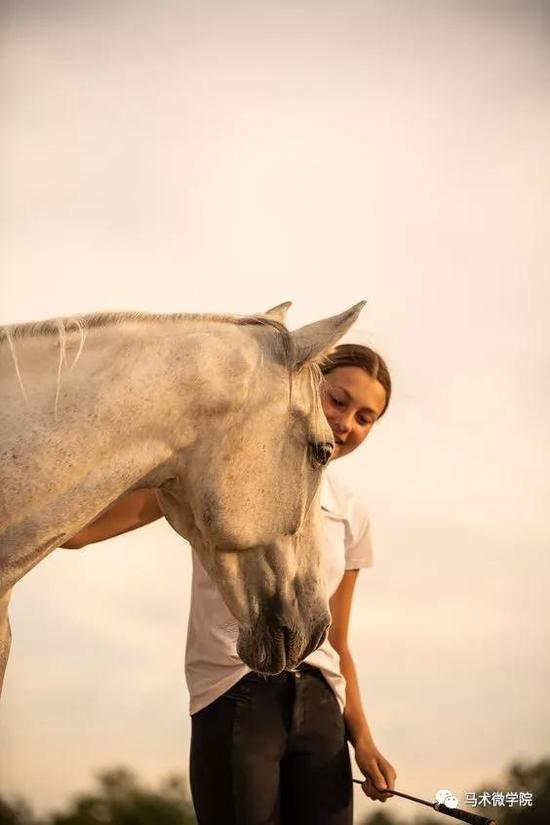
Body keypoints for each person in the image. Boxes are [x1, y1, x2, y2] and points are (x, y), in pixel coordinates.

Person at [64, 343, 397, 825]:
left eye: (366, 418)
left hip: (322, 706)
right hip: (235, 692)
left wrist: (362, 740)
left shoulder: (351, 511)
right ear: (305, 388)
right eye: (338, 400)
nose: (347, 423)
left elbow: (338, 641)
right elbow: (79, 531)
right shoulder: (217, 469)